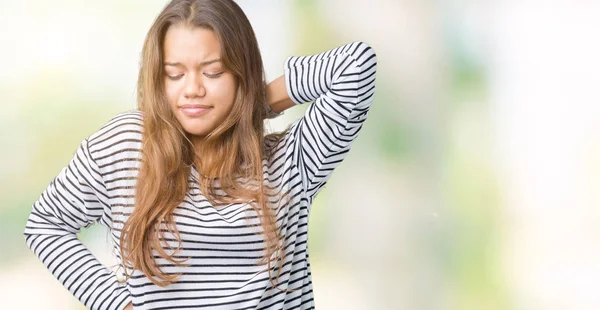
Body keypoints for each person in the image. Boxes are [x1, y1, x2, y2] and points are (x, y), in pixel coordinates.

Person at [23, 0, 377, 309]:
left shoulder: (290, 161)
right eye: (174, 74)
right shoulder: (125, 144)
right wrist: (119, 304)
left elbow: (355, 66)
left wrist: (250, 107)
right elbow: (45, 224)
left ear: (243, 74)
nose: (192, 89)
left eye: (213, 72)